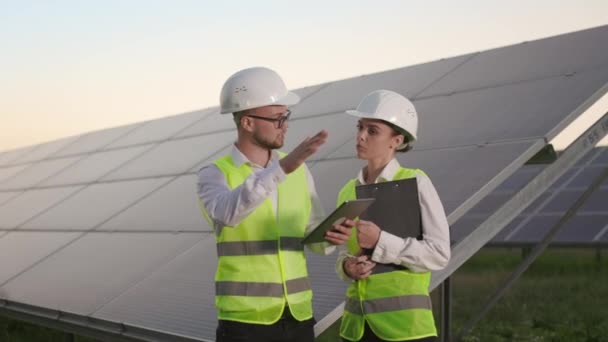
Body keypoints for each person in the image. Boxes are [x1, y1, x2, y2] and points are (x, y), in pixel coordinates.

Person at [197, 66, 353, 342]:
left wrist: (331, 237)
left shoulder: (298, 171)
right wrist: (283, 167)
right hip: (245, 323)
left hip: (299, 318)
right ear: (247, 122)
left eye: (286, 116)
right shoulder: (215, 174)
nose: (286, 125)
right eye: (278, 119)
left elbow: (314, 237)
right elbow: (228, 213)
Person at [335, 90, 451, 342]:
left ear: (396, 141)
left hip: (406, 330)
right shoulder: (347, 190)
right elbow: (346, 252)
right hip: (356, 330)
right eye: (360, 127)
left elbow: (439, 254)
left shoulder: (415, 182)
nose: (361, 136)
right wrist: (347, 267)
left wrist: (380, 241)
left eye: (372, 130)